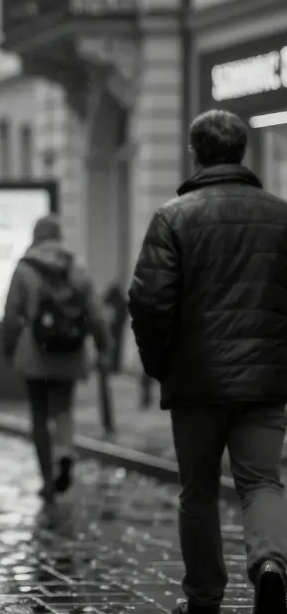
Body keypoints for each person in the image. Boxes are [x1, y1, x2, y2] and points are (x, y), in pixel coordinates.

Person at [129, 109, 287, 614]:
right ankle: (270, 565)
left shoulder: (173, 217)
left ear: (195, 153)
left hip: (197, 381)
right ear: (242, 151)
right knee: (262, 481)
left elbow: (148, 300)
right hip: (265, 380)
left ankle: (203, 598)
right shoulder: (280, 215)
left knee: (197, 491)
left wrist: (160, 363)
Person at [1, 214, 112, 501]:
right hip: (70, 350)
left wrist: (8, 348)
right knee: (63, 407)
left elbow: (11, 314)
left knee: (39, 414)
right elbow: (95, 311)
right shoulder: (76, 265)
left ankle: (47, 478)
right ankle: (64, 452)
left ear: (35, 236)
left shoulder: (24, 268)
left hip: (35, 351)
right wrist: (103, 344)